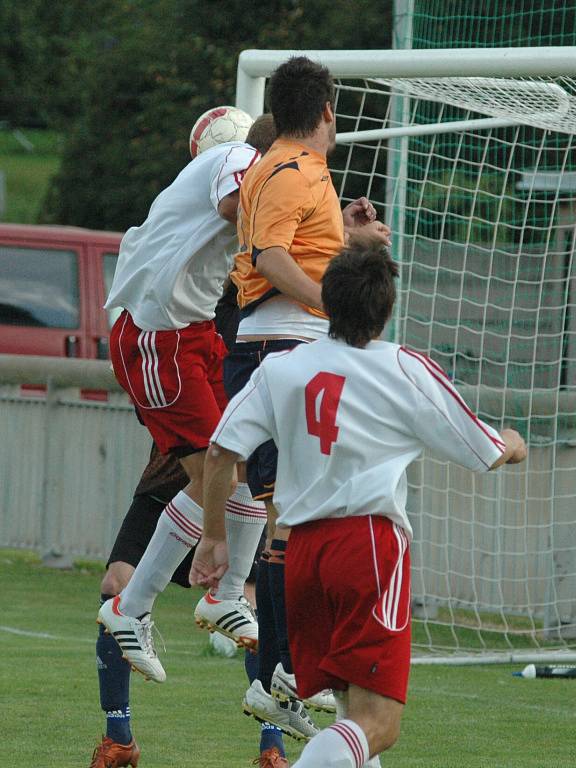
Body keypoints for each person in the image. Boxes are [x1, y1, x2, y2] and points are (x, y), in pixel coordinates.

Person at [190, 242, 528, 768]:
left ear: (324, 300)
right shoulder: (404, 367)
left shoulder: (284, 366)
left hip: (299, 554)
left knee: (350, 713)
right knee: (379, 724)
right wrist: (512, 441)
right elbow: (483, 451)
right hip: (368, 546)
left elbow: (219, 451)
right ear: (388, 309)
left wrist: (213, 538)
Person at [193, 56, 391, 747]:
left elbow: (295, 245)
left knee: (290, 515)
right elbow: (272, 257)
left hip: (283, 347)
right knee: (290, 520)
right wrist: (334, 305)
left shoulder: (288, 170)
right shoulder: (287, 168)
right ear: (328, 111)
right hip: (282, 347)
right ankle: (275, 674)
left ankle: (279, 678)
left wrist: (348, 236)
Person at [97, 113, 277, 684]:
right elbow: (235, 210)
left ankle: (222, 596)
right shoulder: (239, 161)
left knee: (242, 464)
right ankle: (134, 607)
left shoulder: (233, 168)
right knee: (212, 476)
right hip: (160, 339)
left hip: (190, 334)